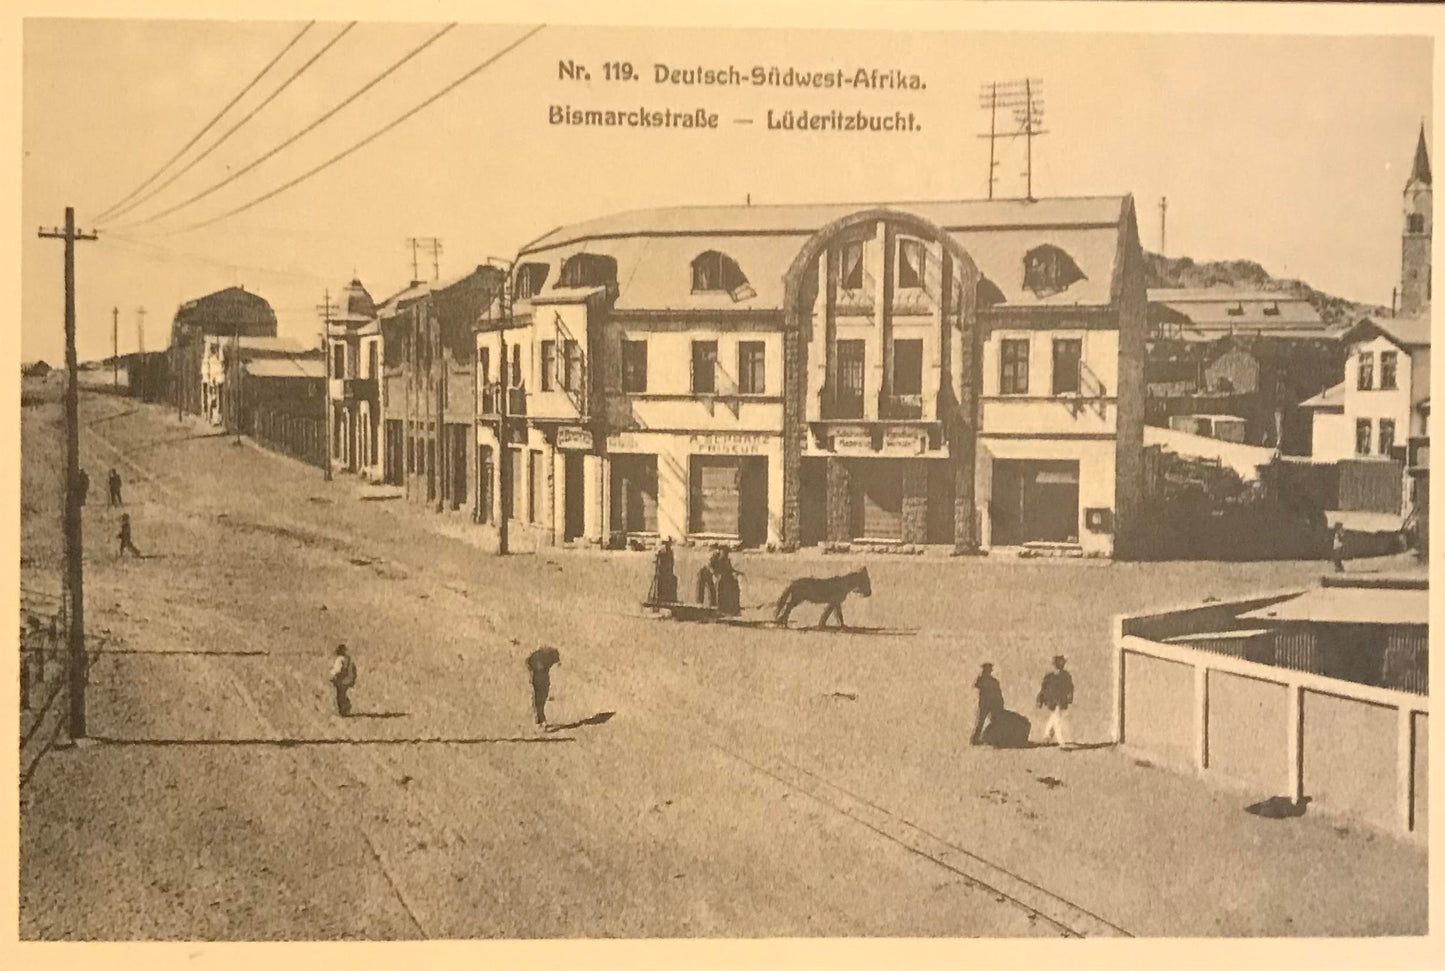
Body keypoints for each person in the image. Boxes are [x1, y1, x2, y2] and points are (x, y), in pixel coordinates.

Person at [1036, 655, 1075, 749]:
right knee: (1057, 719)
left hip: (1061, 700)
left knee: (1055, 716)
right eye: (1058, 663)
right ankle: (1061, 741)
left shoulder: (1066, 675)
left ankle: (1047, 735)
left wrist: (1070, 697)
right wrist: (1040, 699)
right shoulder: (1049, 677)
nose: (1060, 665)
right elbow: (1043, 689)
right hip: (1052, 700)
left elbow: (1070, 687)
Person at [526, 646, 561, 728]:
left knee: (540, 698)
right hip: (540, 678)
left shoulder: (538, 657)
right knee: (541, 698)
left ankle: (540, 718)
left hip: (539, 677)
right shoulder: (543, 658)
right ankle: (540, 718)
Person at [971, 662, 1004, 745]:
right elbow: (977, 685)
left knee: (994, 721)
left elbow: (998, 693)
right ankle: (976, 739)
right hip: (985, 704)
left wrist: (1000, 702)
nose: (987, 671)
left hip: (992, 704)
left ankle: (994, 738)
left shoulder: (993, 681)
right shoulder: (983, 680)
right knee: (981, 721)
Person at [329, 644, 357, 717]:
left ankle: (342, 711)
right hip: (348, 680)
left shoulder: (340, 660)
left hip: (340, 681)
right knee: (344, 695)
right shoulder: (349, 659)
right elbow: (354, 669)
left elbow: (338, 670)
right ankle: (346, 709)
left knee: (340, 696)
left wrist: (333, 675)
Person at [714, 547, 741, 616]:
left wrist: (737, 572)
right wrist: (717, 575)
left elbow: (730, 569)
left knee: (734, 589)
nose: (725, 554)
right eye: (723, 552)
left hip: (728, 578)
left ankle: (732, 609)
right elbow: (713, 569)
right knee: (722, 594)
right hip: (722, 580)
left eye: (726, 553)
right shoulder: (717, 560)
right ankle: (722, 609)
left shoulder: (727, 560)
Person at [650, 538, 677, 603]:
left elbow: (671, 563)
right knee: (662, 582)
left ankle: (668, 598)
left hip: (668, 571)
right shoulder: (663, 552)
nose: (669, 545)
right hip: (664, 572)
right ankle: (662, 598)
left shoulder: (669, 552)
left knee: (670, 581)